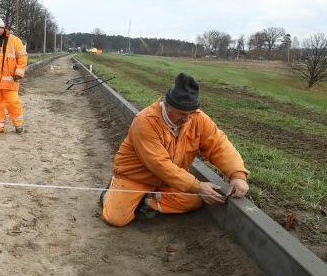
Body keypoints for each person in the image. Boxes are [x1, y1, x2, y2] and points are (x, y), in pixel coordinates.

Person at [100, 73, 250, 227]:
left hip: (169, 181)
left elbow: (219, 145)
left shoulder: (197, 118)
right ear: (167, 104)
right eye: (182, 114)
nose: (187, 119)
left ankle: (146, 200)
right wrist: (197, 185)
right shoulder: (145, 122)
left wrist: (237, 175)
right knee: (116, 219)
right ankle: (113, 190)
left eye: (191, 113)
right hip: (136, 178)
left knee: (198, 200)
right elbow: (159, 164)